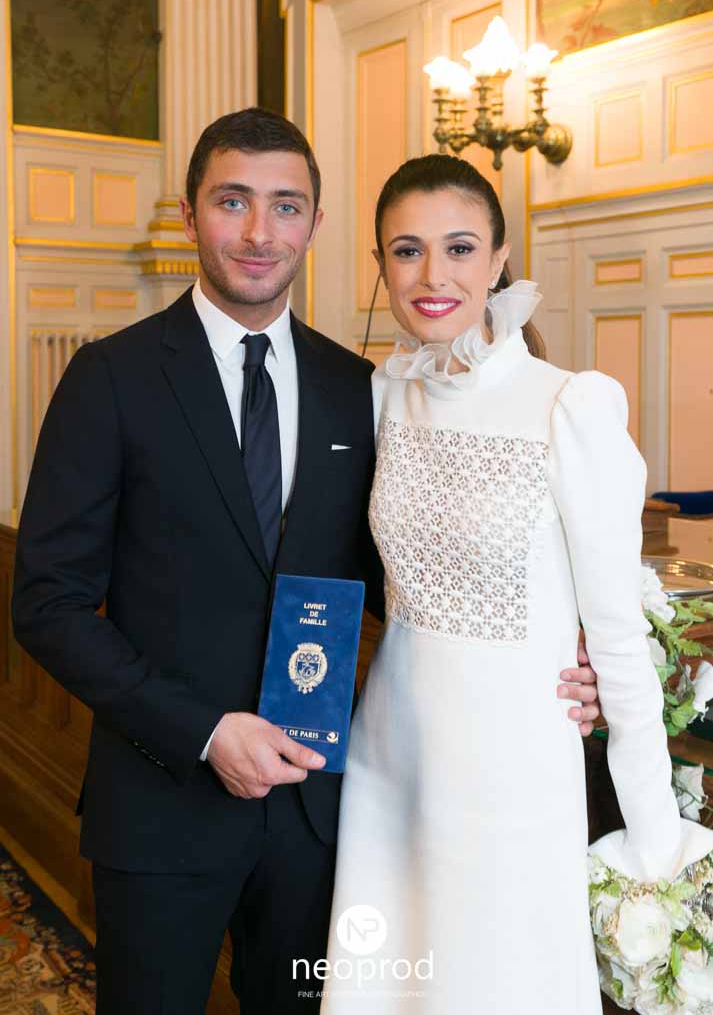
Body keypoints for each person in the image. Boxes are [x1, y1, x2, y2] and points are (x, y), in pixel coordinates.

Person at [12, 110, 599, 1015]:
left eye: (285, 206)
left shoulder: (357, 387)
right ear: (190, 213)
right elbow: (46, 604)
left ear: (315, 225)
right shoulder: (110, 377)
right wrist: (204, 731)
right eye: (232, 202)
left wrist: (568, 654)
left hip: (323, 819)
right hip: (163, 806)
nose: (259, 231)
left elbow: (407, 569)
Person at [321, 154, 713, 1013]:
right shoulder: (385, 394)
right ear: (380, 265)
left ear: (499, 259)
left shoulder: (569, 405)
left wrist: (654, 843)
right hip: (388, 757)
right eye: (407, 250)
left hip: (513, 764)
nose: (433, 275)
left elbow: (614, 634)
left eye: (459, 248)